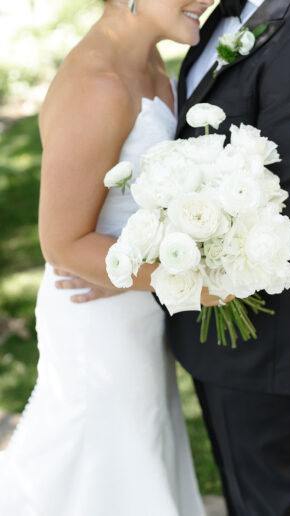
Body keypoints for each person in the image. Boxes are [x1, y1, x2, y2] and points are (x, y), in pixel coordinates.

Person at [55, 0, 290, 514]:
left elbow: (280, 216)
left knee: (268, 503)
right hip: (212, 333)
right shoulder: (222, 18)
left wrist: (138, 271)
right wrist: (126, 258)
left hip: (264, 341)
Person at [0, 0, 216, 514]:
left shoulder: (151, 62)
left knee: (135, 456)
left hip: (132, 302)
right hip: (98, 323)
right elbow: (62, 243)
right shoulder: (98, 86)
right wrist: (196, 283)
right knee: (98, 469)